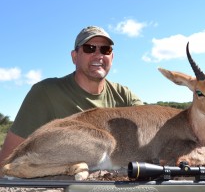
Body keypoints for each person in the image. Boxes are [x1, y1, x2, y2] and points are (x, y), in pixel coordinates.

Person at [0, 26, 143, 166]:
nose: (99, 55)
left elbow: (151, 126)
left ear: (112, 57)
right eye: (89, 48)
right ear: (74, 56)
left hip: (111, 182)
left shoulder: (124, 96)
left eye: (105, 50)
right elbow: (7, 159)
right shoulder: (45, 92)